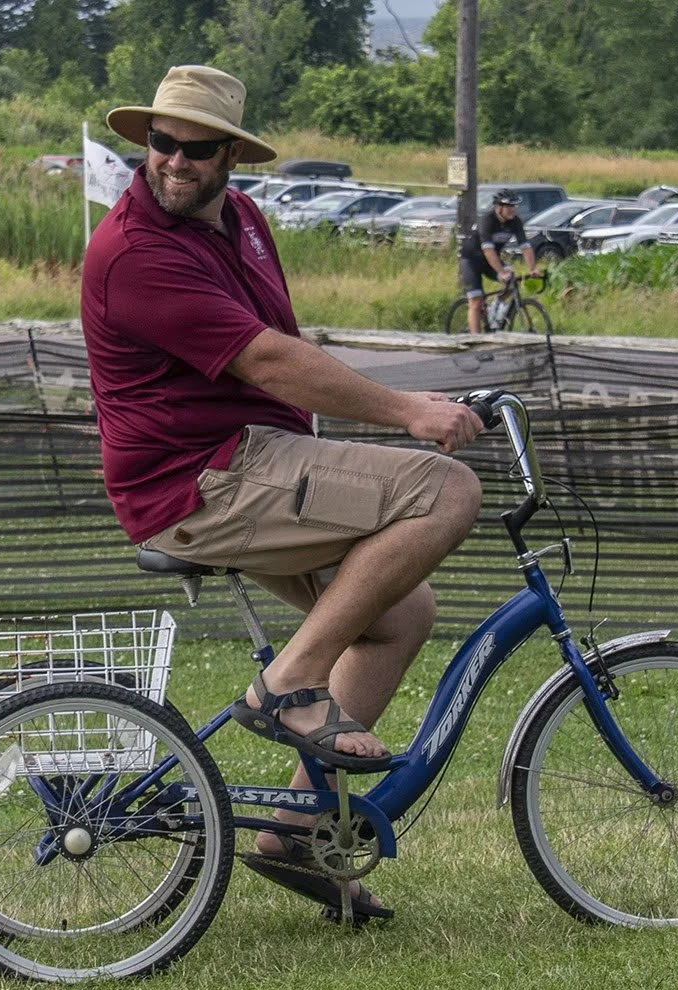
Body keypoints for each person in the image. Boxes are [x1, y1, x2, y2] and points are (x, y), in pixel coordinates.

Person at [82, 66, 484, 920]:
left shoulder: (246, 220)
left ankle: (295, 833)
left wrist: (367, 427)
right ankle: (290, 684)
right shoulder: (134, 250)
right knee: (448, 491)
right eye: (162, 142)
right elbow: (264, 360)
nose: (175, 161)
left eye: (197, 147)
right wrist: (409, 411)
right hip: (201, 477)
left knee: (402, 613)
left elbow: (284, 348)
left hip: (256, 455)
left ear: (232, 154)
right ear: (144, 141)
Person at [458, 189, 540, 333]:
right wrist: (501, 272)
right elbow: (488, 251)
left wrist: (533, 268)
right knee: (476, 301)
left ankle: (496, 306)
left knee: (512, 279)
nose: (513, 209)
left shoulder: (515, 222)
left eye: (514, 206)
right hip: (471, 261)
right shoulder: (487, 220)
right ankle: (477, 343)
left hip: (490, 261)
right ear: (498, 208)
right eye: (509, 206)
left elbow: (525, 247)